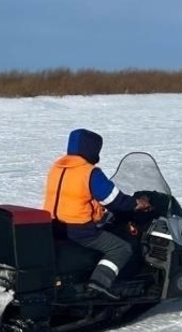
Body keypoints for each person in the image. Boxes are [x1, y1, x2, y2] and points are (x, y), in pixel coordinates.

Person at [43, 128, 151, 299]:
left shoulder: (57, 167)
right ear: (91, 148)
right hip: (79, 230)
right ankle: (100, 283)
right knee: (121, 248)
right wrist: (136, 204)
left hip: (53, 225)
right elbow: (113, 200)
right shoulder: (89, 171)